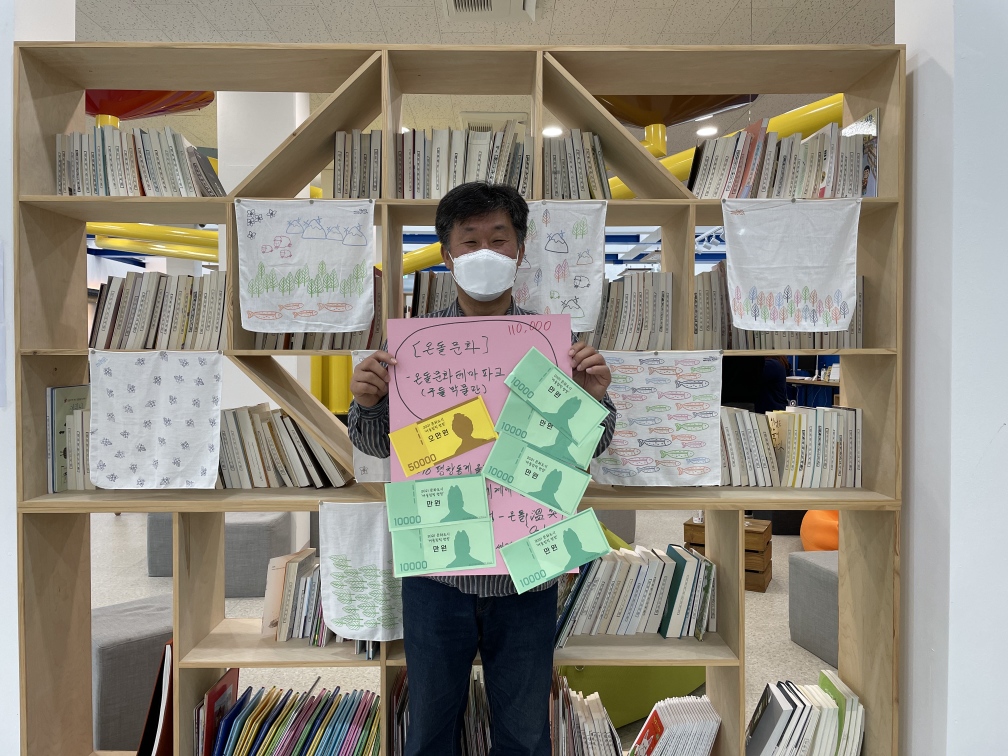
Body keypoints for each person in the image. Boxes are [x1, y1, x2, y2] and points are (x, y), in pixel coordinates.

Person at [348, 182, 615, 756]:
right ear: (447, 256)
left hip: (526, 570)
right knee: (429, 731)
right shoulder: (414, 348)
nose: (485, 253)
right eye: (469, 242)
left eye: (499, 239)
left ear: (520, 250)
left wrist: (593, 399)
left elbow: (589, 448)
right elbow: (378, 445)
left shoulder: (553, 345)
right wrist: (367, 402)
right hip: (437, 573)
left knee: (525, 733)